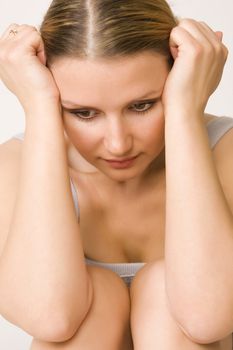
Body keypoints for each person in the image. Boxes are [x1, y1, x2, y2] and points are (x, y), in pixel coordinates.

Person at [0, 0, 232, 349]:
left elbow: (207, 316)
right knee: (94, 305)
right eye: (84, 113)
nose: (118, 143)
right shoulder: (14, 165)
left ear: (177, 78)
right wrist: (39, 109)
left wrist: (185, 112)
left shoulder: (224, 151)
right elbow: (50, 316)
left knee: (166, 298)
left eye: (142, 105)